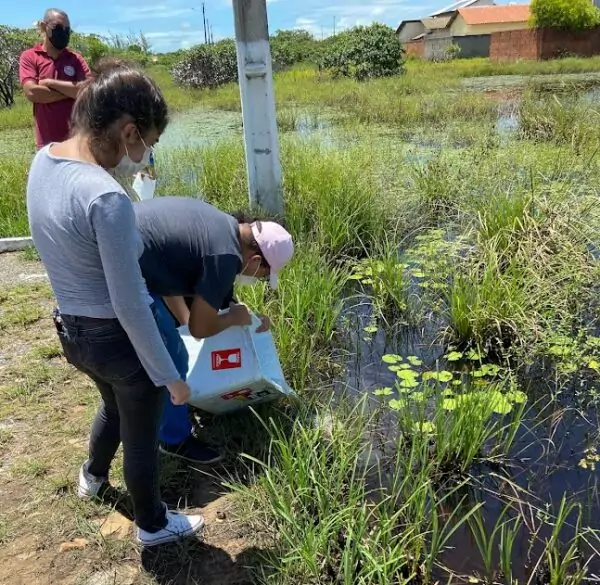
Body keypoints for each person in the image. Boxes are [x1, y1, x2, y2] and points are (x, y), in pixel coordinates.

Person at [26, 60, 204, 547]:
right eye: (147, 142)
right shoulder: (106, 197)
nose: (143, 157)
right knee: (141, 431)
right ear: (128, 131)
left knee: (112, 405)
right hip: (114, 337)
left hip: (71, 331)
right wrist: (170, 376)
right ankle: (152, 524)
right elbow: (130, 304)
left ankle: (92, 476)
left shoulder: (44, 161)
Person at [134, 197, 294, 464]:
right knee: (173, 357)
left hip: (134, 256)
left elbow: (192, 289)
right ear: (255, 261)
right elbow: (200, 327)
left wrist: (248, 319)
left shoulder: (225, 229)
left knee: (172, 339)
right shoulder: (225, 256)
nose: (257, 280)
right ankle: (173, 440)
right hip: (123, 270)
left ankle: (168, 410)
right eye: (263, 276)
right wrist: (230, 319)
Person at [19, 8, 91, 149]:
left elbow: (88, 91)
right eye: (58, 27)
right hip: (47, 145)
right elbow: (33, 93)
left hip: (77, 142)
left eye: (67, 30)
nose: (63, 33)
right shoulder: (30, 56)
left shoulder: (75, 59)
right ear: (44, 27)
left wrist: (50, 83)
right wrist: (72, 93)